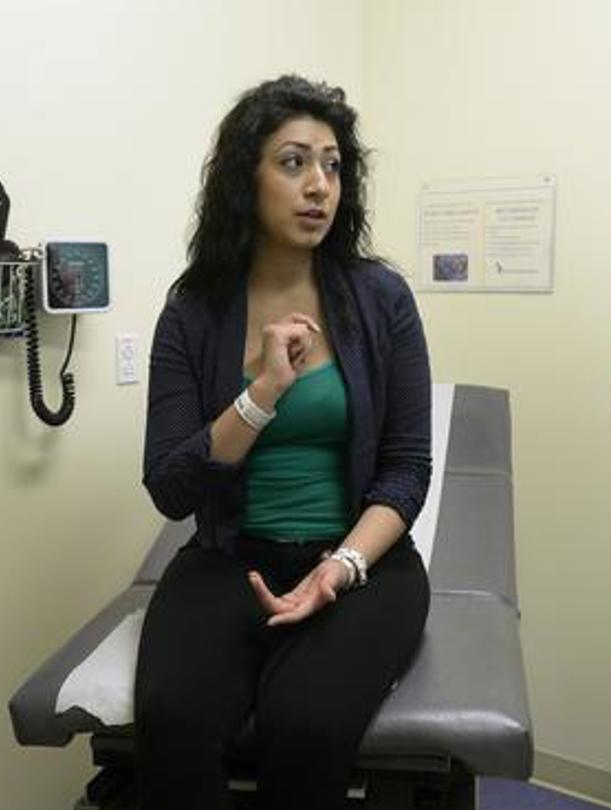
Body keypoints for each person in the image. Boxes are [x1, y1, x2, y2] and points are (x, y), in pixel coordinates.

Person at [134, 75, 432, 810]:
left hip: (360, 563)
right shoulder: (194, 313)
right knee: (173, 724)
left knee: (306, 725)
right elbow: (170, 486)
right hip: (229, 560)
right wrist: (262, 392)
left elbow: (405, 469)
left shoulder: (380, 300)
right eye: (294, 162)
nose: (319, 186)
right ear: (246, 178)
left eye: (332, 166)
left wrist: (342, 567)